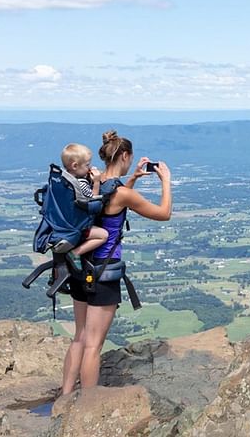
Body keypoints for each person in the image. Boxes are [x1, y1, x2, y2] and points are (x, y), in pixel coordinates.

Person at [61, 130, 172, 395]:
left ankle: (64, 397)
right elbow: (164, 213)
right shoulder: (121, 193)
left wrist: (131, 178)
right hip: (103, 274)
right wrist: (165, 181)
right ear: (125, 155)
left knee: (79, 337)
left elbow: (107, 208)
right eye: (129, 159)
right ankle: (86, 406)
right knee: (93, 345)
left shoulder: (91, 180)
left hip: (78, 267)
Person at [59, 143, 109, 259]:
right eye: (87, 165)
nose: (89, 168)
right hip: (77, 227)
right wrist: (96, 182)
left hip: (64, 224)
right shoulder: (80, 184)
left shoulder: (63, 180)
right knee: (103, 235)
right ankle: (74, 254)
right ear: (75, 166)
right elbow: (92, 202)